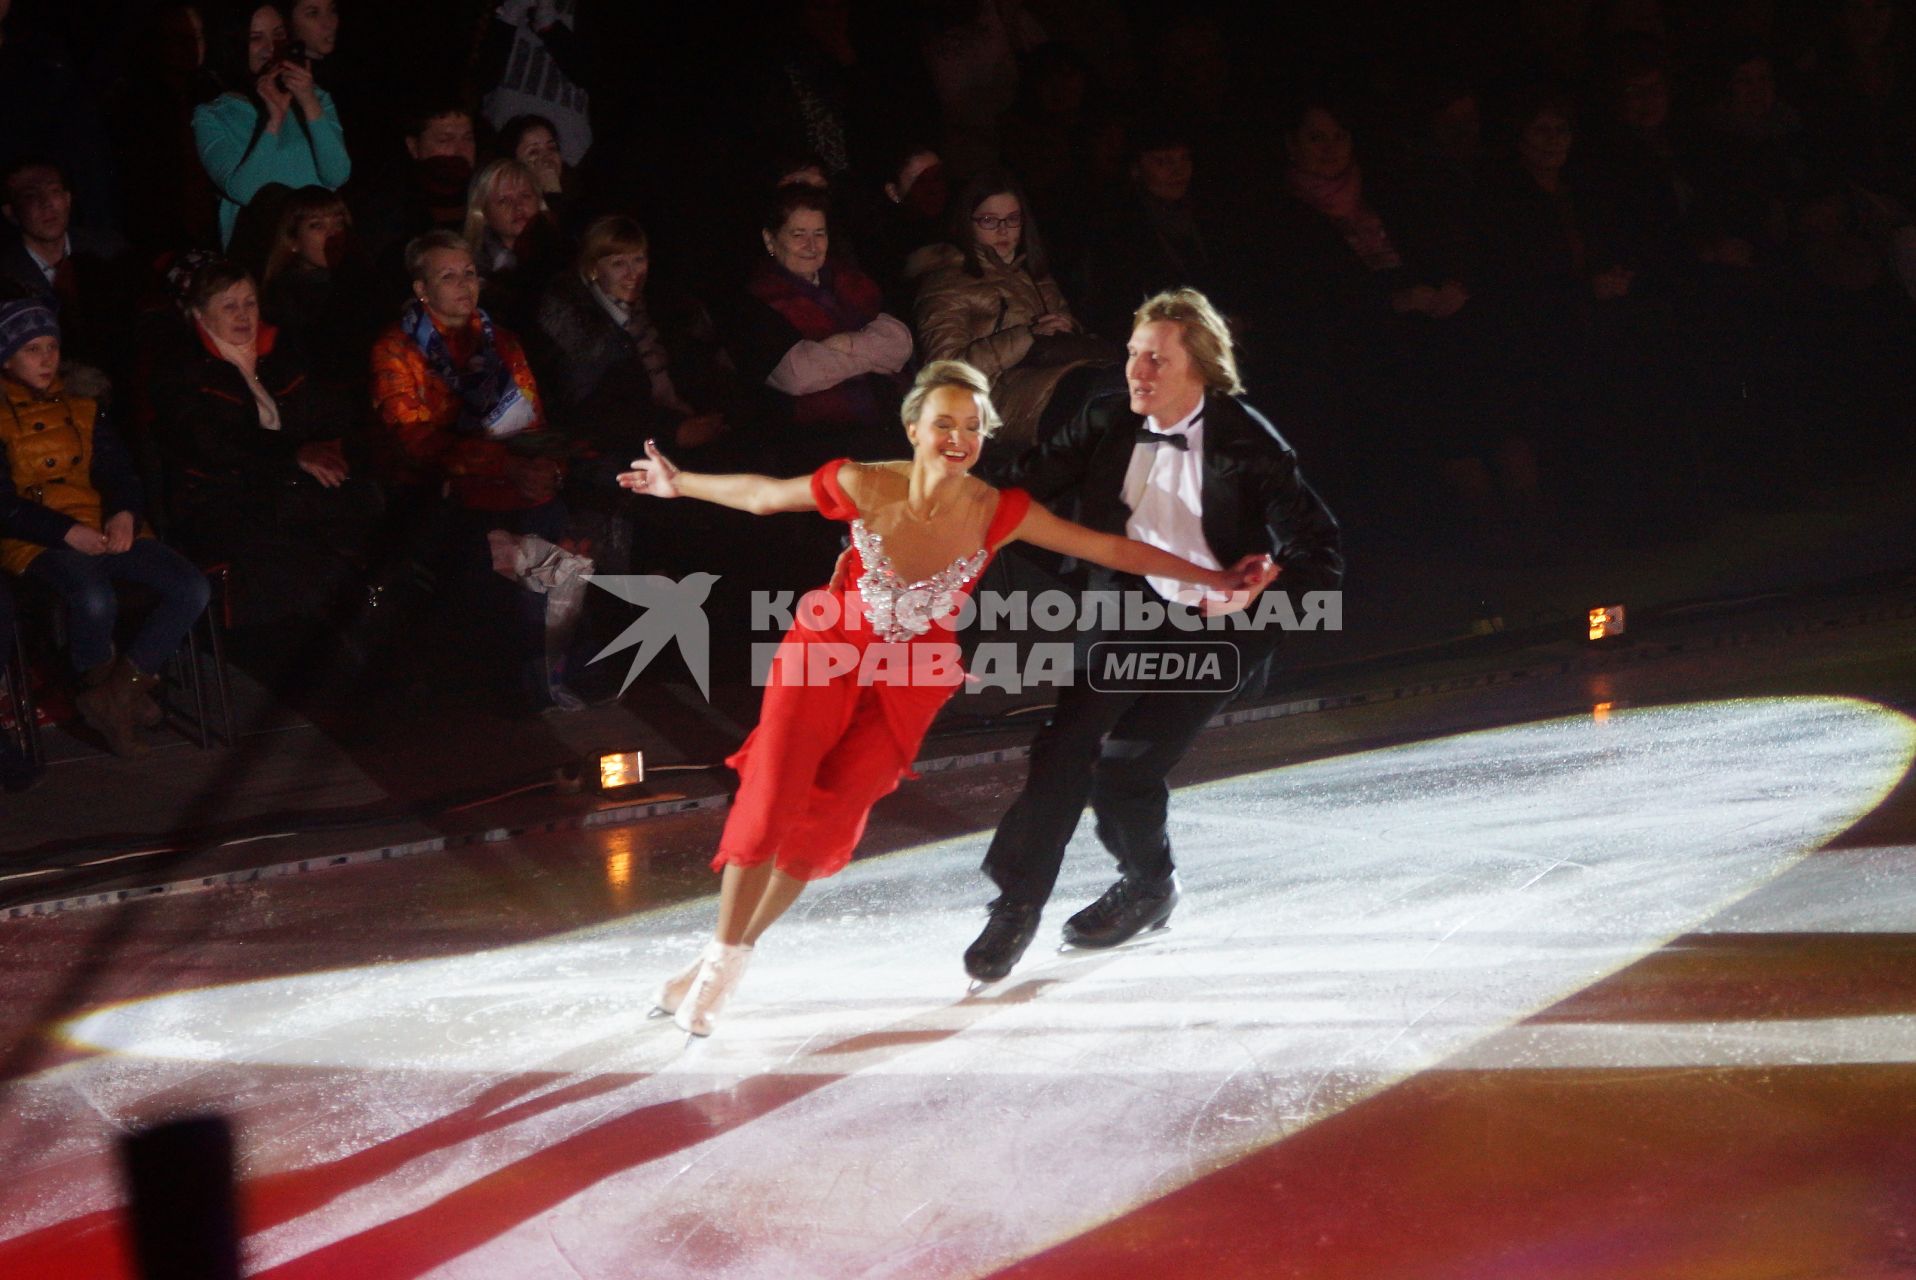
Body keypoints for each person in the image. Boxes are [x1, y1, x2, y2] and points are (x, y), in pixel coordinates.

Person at [615, 359, 1272, 1036]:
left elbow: (1113, 549)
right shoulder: (863, 482)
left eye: (970, 427)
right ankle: (722, 968)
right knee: (772, 796)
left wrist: (1213, 575)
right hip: (826, 655)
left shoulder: (998, 510)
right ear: (913, 429)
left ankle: (721, 962)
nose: (957, 438)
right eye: (943, 424)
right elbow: (763, 495)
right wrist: (679, 482)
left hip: (912, 679)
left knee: (829, 819)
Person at [963, 288, 1342, 983]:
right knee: (1065, 743)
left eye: (1157, 361)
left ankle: (1148, 884)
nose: (1138, 372)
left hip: (1218, 626)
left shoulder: (1249, 444)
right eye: (1135, 355)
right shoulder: (1106, 417)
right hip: (1131, 607)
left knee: (1126, 766)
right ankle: (1015, 904)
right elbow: (1026, 483)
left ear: (1200, 367)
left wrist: (1265, 585)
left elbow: (1319, 552)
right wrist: (941, 486)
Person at [370, 230, 575, 709]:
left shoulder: (501, 341)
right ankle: (509, 682)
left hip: (517, 482)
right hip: (441, 491)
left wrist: (550, 468)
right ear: (421, 289)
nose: (464, 285)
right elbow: (415, 442)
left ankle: (545, 672)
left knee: (551, 522)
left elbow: (536, 422)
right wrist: (505, 463)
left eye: (469, 273)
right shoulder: (398, 350)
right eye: (448, 276)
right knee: (489, 552)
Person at [0, 298, 211, 757]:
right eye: (32, 349)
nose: (46, 358)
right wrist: (63, 532)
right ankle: (113, 696)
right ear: (7, 357)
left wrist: (123, 514)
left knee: (190, 586)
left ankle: (116, 696)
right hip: (34, 535)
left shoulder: (82, 403)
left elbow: (119, 472)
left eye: (51, 346)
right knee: (94, 597)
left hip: (97, 524)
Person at [149, 260, 382, 637]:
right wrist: (293, 452)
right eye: (229, 306)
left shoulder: (278, 354)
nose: (244, 315)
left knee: (365, 499)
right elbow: (211, 441)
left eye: (250, 303)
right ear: (199, 313)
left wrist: (334, 444)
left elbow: (326, 409)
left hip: (287, 482)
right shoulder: (185, 371)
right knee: (296, 542)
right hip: (222, 494)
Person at [913, 169, 1115, 448]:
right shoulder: (947, 281)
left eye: (1012, 219)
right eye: (989, 220)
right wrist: (1027, 336)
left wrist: (1066, 329)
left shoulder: (1035, 273)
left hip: (1058, 377)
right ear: (966, 223)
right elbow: (945, 372)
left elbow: (1070, 331)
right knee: (1107, 404)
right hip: (996, 399)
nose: (1003, 230)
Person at [728, 182, 912, 472]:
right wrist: (872, 352)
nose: (812, 246)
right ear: (770, 240)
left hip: (887, 422)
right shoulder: (755, 302)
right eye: (798, 235)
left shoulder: (851, 280)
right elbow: (799, 375)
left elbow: (900, 345)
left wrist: (844, 344)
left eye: (819, 233)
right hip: (814, 444)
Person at [192, 2, 351, 248]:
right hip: (262, 255)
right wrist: (273, 120)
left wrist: (308, 102)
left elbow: (337, 173)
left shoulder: (316, 98)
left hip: (321, 249)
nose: (271, 48)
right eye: (256, 38)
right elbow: (244, 191)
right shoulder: (213, 115)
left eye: (278, 35)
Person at [0, 160, 137, 399]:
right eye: (31, 196)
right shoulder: (6, 275)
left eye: (54, 192)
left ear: (68, 198)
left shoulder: (109, 250)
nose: (47, 205)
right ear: (11, 212)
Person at [462, 158, 567, 333]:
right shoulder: (472, 271)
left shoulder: (562, 252)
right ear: (483, 213)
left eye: (525, 196)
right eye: (503, 200)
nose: (518, 206)